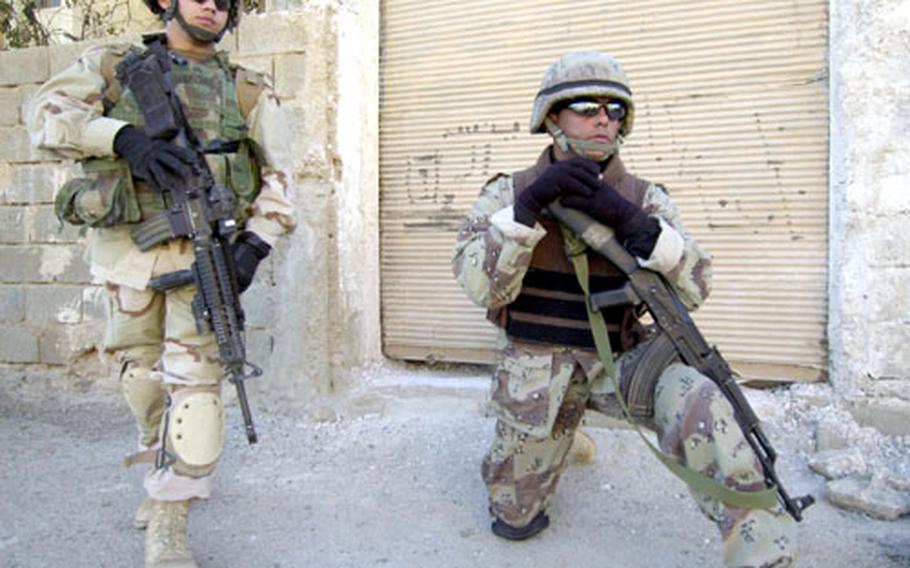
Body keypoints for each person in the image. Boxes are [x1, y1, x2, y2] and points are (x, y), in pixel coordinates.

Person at [451, 51, 797, 567]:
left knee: (700, 396)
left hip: (624, 367)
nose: (603, 119)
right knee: (514, 520)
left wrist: (640, 227)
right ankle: (564, 435)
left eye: (615, 110)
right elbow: (482, 289)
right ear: (550, 117)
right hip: (537, 376)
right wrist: (525, 215)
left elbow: (699, 285)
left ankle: (763, 552)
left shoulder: (643, 197)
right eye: (586, 105)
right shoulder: (510, 191)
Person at [28, 0, 295, 565]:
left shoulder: (247, 89)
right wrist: (123, 139)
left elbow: (281, 178)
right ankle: (159, 459)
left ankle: (169, 525)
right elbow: (44, 118)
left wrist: (254, 246)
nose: (212, 6)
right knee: (142, 379)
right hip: (129, 256)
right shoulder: (111, 66)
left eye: (226, 1)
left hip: (208, 260)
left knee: (198, 391)